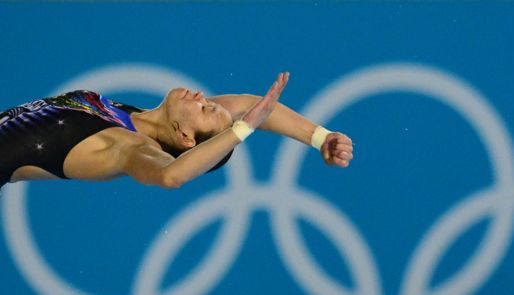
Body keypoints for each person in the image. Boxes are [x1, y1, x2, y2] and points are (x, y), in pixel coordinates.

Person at [0, 72, 353, 189]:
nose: (203, 97)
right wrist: (320, 137)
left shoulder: (126, 146)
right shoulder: (130, 116)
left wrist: (244, 130)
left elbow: (171, 176)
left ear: (186, 138)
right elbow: (248, 104)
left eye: (205, 109)